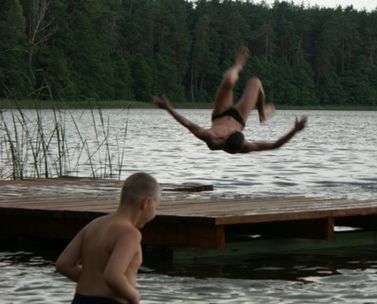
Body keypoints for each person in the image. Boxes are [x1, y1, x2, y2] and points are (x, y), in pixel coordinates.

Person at [153, 46, 307, 154]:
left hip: (220, 114)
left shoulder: (211, 138)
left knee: (228, 79)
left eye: (230, 132)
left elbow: (188, 124)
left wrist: (168, 108)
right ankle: (263, 114)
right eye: (232, 132)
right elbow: (275, 145)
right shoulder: (245, 146)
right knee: (255, 82)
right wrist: (295, 130)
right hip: (239, 118)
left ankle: (238, 65)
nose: (230, 130)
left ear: (225, 138)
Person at [55, 172, 161, 304]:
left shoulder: (94, 224)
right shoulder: (130, 233)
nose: (155, 213)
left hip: (80, 299)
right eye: (156, 208)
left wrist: (92, 281)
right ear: (146, 203)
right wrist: (134, 296)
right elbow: (113, 276)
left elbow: (63, 264)